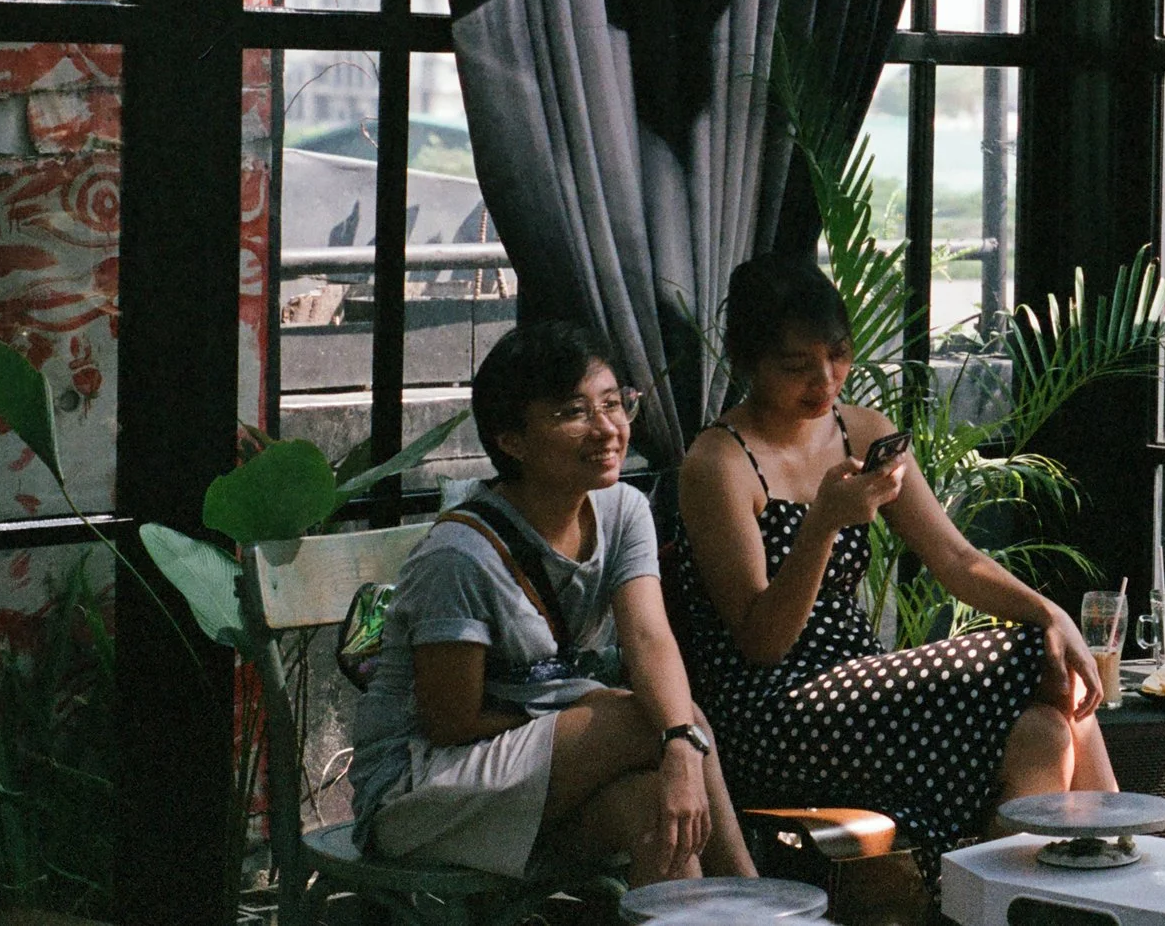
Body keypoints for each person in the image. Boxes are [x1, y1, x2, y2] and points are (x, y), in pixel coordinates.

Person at [671, 252, 1116, 879]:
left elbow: (956, 558)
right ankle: (1128, 867)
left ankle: (1007, 905)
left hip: (858, 684)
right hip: (770, 711)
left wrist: (1051, 613)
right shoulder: (719, 462)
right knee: (1025, 658)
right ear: (748, 364)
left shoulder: (864, 430)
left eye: (838, 355)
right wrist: (823, 523)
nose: (824, 380)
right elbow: (762, 643)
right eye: (796, 365)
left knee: (1045, 724)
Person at [350, 321, 755, 884]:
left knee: (657, 813)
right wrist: (587, 720)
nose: (608, 429)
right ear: (512, 440)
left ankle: (742, 903)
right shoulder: (460, 557)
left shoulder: (623, 509)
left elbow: (648, 637)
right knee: (651, 718)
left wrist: (673, 750)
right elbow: (448, 721)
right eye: (573, 412)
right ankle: (755, 895)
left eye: (614, 404)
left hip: (525, 772)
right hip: (419, 787)